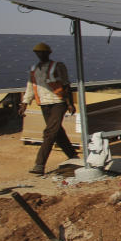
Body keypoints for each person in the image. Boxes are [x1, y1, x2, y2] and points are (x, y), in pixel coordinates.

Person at [18, 42, 77, 175]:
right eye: (37, 53)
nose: (40, 54)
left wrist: (70, 103)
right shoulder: (33, 68)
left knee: (50, 133)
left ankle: (39, 164)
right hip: (44, 104)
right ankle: (73, 157)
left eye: (42, 52)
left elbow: (66, 84)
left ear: (48, 53)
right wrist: (24, 103)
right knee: (57, 132)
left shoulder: (58, 66)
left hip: (58, 102)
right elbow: (30, 87)